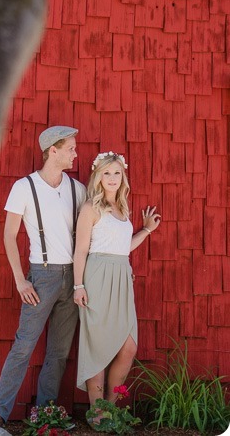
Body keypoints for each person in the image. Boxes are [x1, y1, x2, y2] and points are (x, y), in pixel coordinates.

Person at [0, 125, 86, 427]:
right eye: (70, 148)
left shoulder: (76, 189)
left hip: (73, 278)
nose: (75, 153)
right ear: (53, 150)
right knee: (24, 346)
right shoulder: (24, 187)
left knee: (59, 352)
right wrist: (20, 280)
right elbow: (9, 236)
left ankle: (46, 414)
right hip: (41, 277)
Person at [73, 152, 160, 421]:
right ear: (98, 177)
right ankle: (97, 412)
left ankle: (110, 408)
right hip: (97, 278)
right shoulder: (90, 208)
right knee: (97, 346)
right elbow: (80, 251)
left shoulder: (123, 208)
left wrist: (145, 230)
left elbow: (122, 249)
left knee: (128, 347)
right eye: (106, 173)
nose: (112, 178)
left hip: (122, 277)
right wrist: (78, 286)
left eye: (117, 173)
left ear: (123, 177)